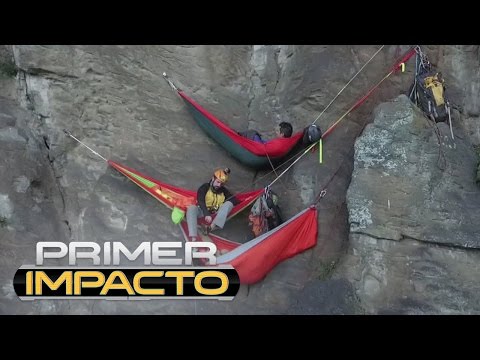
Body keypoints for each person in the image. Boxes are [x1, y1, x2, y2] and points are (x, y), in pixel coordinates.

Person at [186, 167, 239, 241]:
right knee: (191, 208)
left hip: (216, 215)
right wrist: (206, 213)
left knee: (229, 203)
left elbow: (235, 200)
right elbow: (200, 200)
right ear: (213, 178)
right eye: (217, 182)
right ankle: (193, 238)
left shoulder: (223, 191)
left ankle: (210, 228)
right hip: (202, 211)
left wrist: (226, 205)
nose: (219, 185)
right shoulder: (205, 187)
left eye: (221, 183)